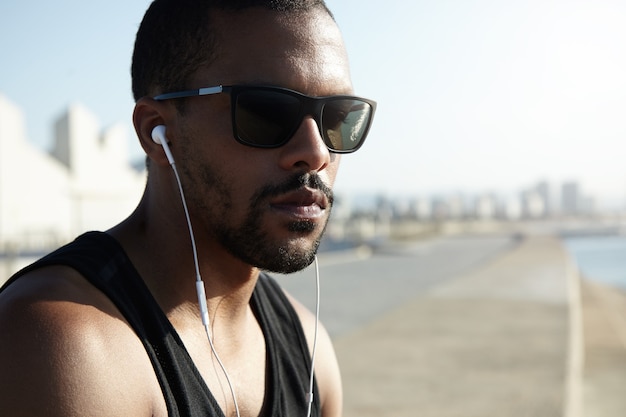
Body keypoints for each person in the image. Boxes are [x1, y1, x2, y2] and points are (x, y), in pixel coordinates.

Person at [0, 0, 376, 416]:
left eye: (338, 116)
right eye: (266, 111)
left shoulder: (309, 349)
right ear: (156, 133)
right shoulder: (66, 344)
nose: (316, 151)